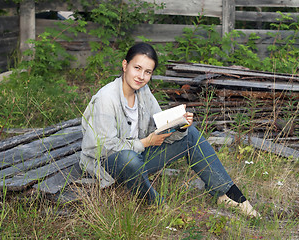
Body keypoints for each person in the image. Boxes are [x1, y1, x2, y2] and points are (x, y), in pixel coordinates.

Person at [80, 42, 260, 218]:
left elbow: (160, 127)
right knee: (129, 159)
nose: (141, 76)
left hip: (138, 157)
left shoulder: (143, 92)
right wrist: (145, 142)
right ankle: (154, 203)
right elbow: (102, 147)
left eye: (147, 72)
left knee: (190, 135)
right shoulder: (106, 98)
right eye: (137, 68)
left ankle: (227, 194)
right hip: (108, 164)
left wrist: (178, 125)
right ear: (125, 65)